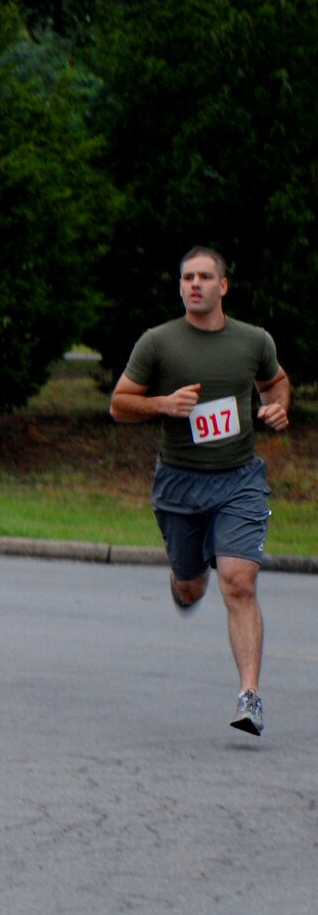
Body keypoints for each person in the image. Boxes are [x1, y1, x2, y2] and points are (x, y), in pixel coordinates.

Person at [109, 245, 291, 737]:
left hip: (239, 480)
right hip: (179, 483)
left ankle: (249, 696)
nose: (195, 284)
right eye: (187, 277)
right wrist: (163, 404)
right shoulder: (159, 343)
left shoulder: (252, 340)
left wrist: (277, 407)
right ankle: (184, 578)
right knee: (192, 587)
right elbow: (120, 405)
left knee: (239, 581)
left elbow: (276, 382)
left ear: (222, 286)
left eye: (205, 276)